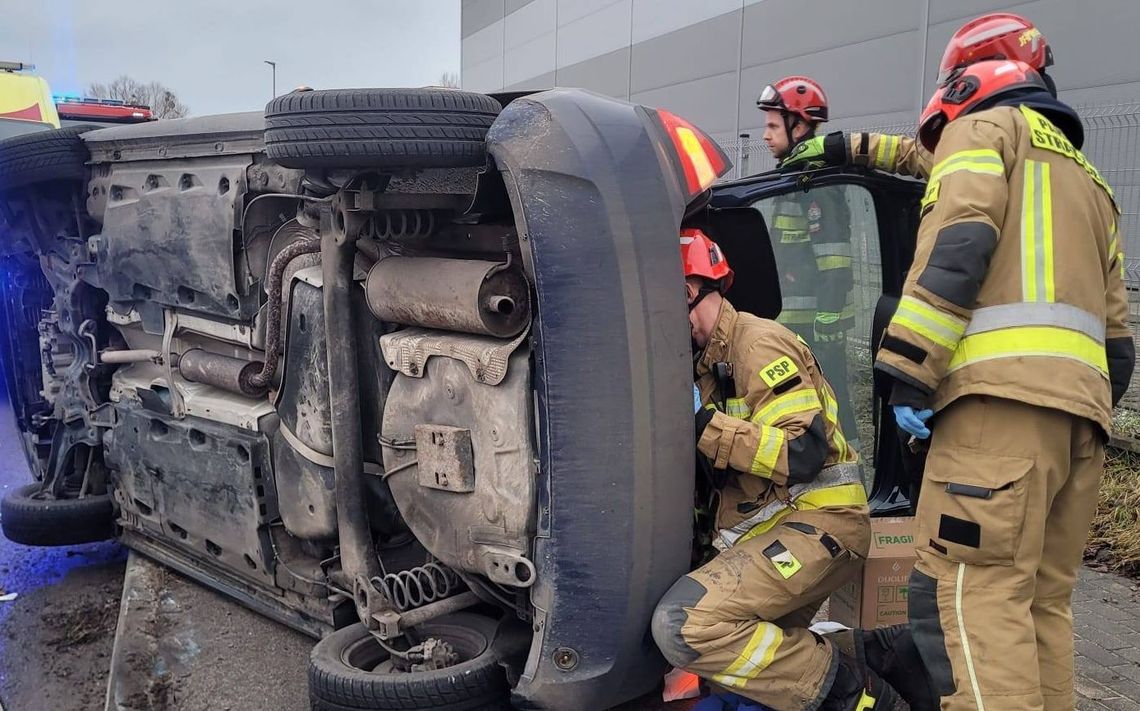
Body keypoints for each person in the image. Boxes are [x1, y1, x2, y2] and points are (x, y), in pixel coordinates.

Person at [874, 59, 1134, 710]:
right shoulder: (1092, 182)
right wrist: (1077, 407)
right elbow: (1120, 346)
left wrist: (908, 373)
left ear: (959, 97)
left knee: (969, 598)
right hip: (1081, 425)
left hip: (995, 422)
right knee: (1042, 606)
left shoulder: (984, 131)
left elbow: (957, 246)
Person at [652, 228, 905, 710]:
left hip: (819, 525)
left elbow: (801, 455)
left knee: (684, 624)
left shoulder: (758, 345)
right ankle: (877, 652)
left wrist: (705, 423)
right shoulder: (706, 368)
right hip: (778, 531)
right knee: (746, 670)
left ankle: (863, 701)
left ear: (687, 292)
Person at [781, 12, 1055, 180]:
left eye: (960, 86)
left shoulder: (996, 160)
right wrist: (842, 146)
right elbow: (914, 156)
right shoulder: (1069, 169)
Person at [756, 77, 862, 452]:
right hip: (798, 322)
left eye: (772, 125)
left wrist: (829, 320)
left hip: (818, 325)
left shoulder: (813, 182)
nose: (765, 135)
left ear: (798, 126)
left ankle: (854, 473)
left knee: (835, 403)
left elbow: (834, 260)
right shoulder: (794, 177)